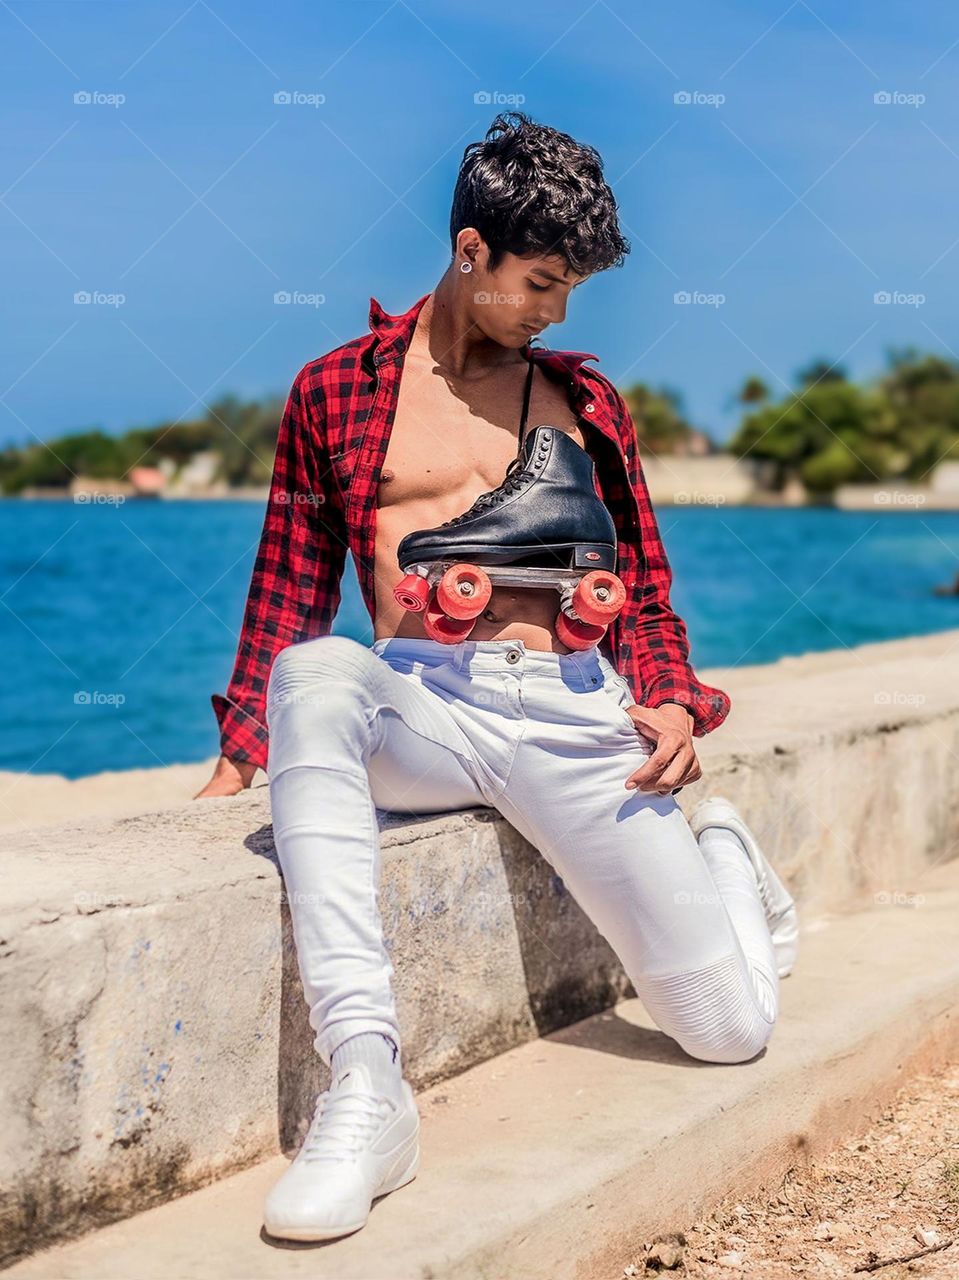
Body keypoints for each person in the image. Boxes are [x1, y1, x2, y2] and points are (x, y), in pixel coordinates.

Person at [195, 112, 798, 1243]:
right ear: (468, 251)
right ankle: (367, 1089)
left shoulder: (585, 406)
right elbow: (287, 592)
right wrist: (240, 758)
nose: (555, 309)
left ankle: (723, 853)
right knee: (320, 669)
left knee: (725, 1031)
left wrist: (666, 696)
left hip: (574, 713)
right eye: (539, 281)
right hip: (428, 702)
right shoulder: (334, 393)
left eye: (568, 287)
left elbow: (648, 593)